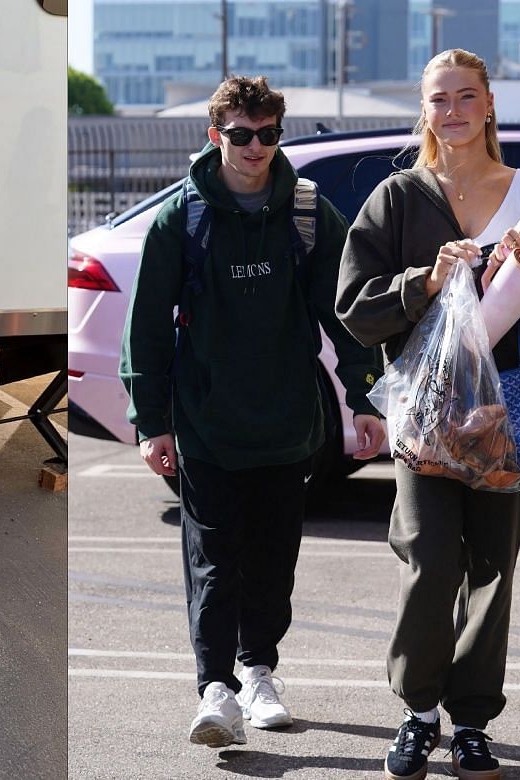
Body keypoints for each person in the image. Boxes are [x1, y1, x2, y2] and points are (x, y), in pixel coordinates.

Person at [336, 49, 520, 780]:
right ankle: (418, 714)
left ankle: (472, 721)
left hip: (508, 413)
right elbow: (354, 307)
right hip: (424, 418)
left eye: (466, 96)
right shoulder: (399, 197)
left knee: (494, 571)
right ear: (426, 110)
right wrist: (429, 278)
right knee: (428, 561)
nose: (453, 111)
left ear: (489, 104)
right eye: (440, 99)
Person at [119, 75, 385, 748]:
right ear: (216, 136)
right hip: (207, 425)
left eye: (268, 134)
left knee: (274, 558)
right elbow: (146, 327)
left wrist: (364, 397)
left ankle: (259, 672)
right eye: (241, 134)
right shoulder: (182, 219)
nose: (255, 147)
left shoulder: (306, 213)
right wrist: (152, 423)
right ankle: (215, 690)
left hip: (288, 424)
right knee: (212, 558)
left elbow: (345, 313)